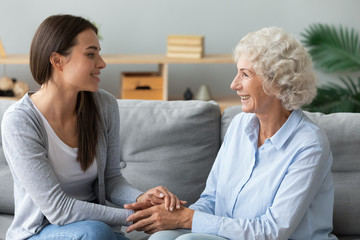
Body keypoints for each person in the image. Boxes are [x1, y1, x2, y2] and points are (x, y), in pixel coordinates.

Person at [124, 27, 338, 239]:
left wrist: (187, 220)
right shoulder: (239, 125)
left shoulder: (309, 145)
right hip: (230, 235)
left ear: (276, 83)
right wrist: (174, 215)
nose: (234, 84)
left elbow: (272, 231)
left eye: (245, 74)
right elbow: (213, 199)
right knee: (162, 238)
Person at [1, 14, 183, 240]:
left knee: (166, 236)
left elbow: (112, 180)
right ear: (57, 61)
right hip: (42, 232)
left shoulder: (104, 105)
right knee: (96, 232)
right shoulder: (20, 121)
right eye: (90, 54)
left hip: (97, 230)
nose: (102, 63)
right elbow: (58, 209)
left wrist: (142, 199)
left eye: (99, 53)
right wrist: (140, 215)